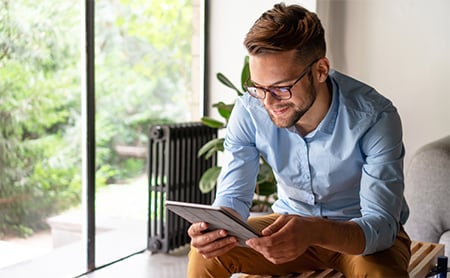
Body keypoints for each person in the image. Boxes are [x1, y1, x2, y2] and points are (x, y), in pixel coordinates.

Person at [188, 3, 411, 277]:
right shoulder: (249, 109)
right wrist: (215, 230)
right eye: (259, 87)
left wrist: (314, 231)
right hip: (286, 229)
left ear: (320, 70)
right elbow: (232, 197)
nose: (268, 102)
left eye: (281, 88)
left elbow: (381, 226)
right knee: (206, 256)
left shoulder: (375, 117)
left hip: (358, 235)